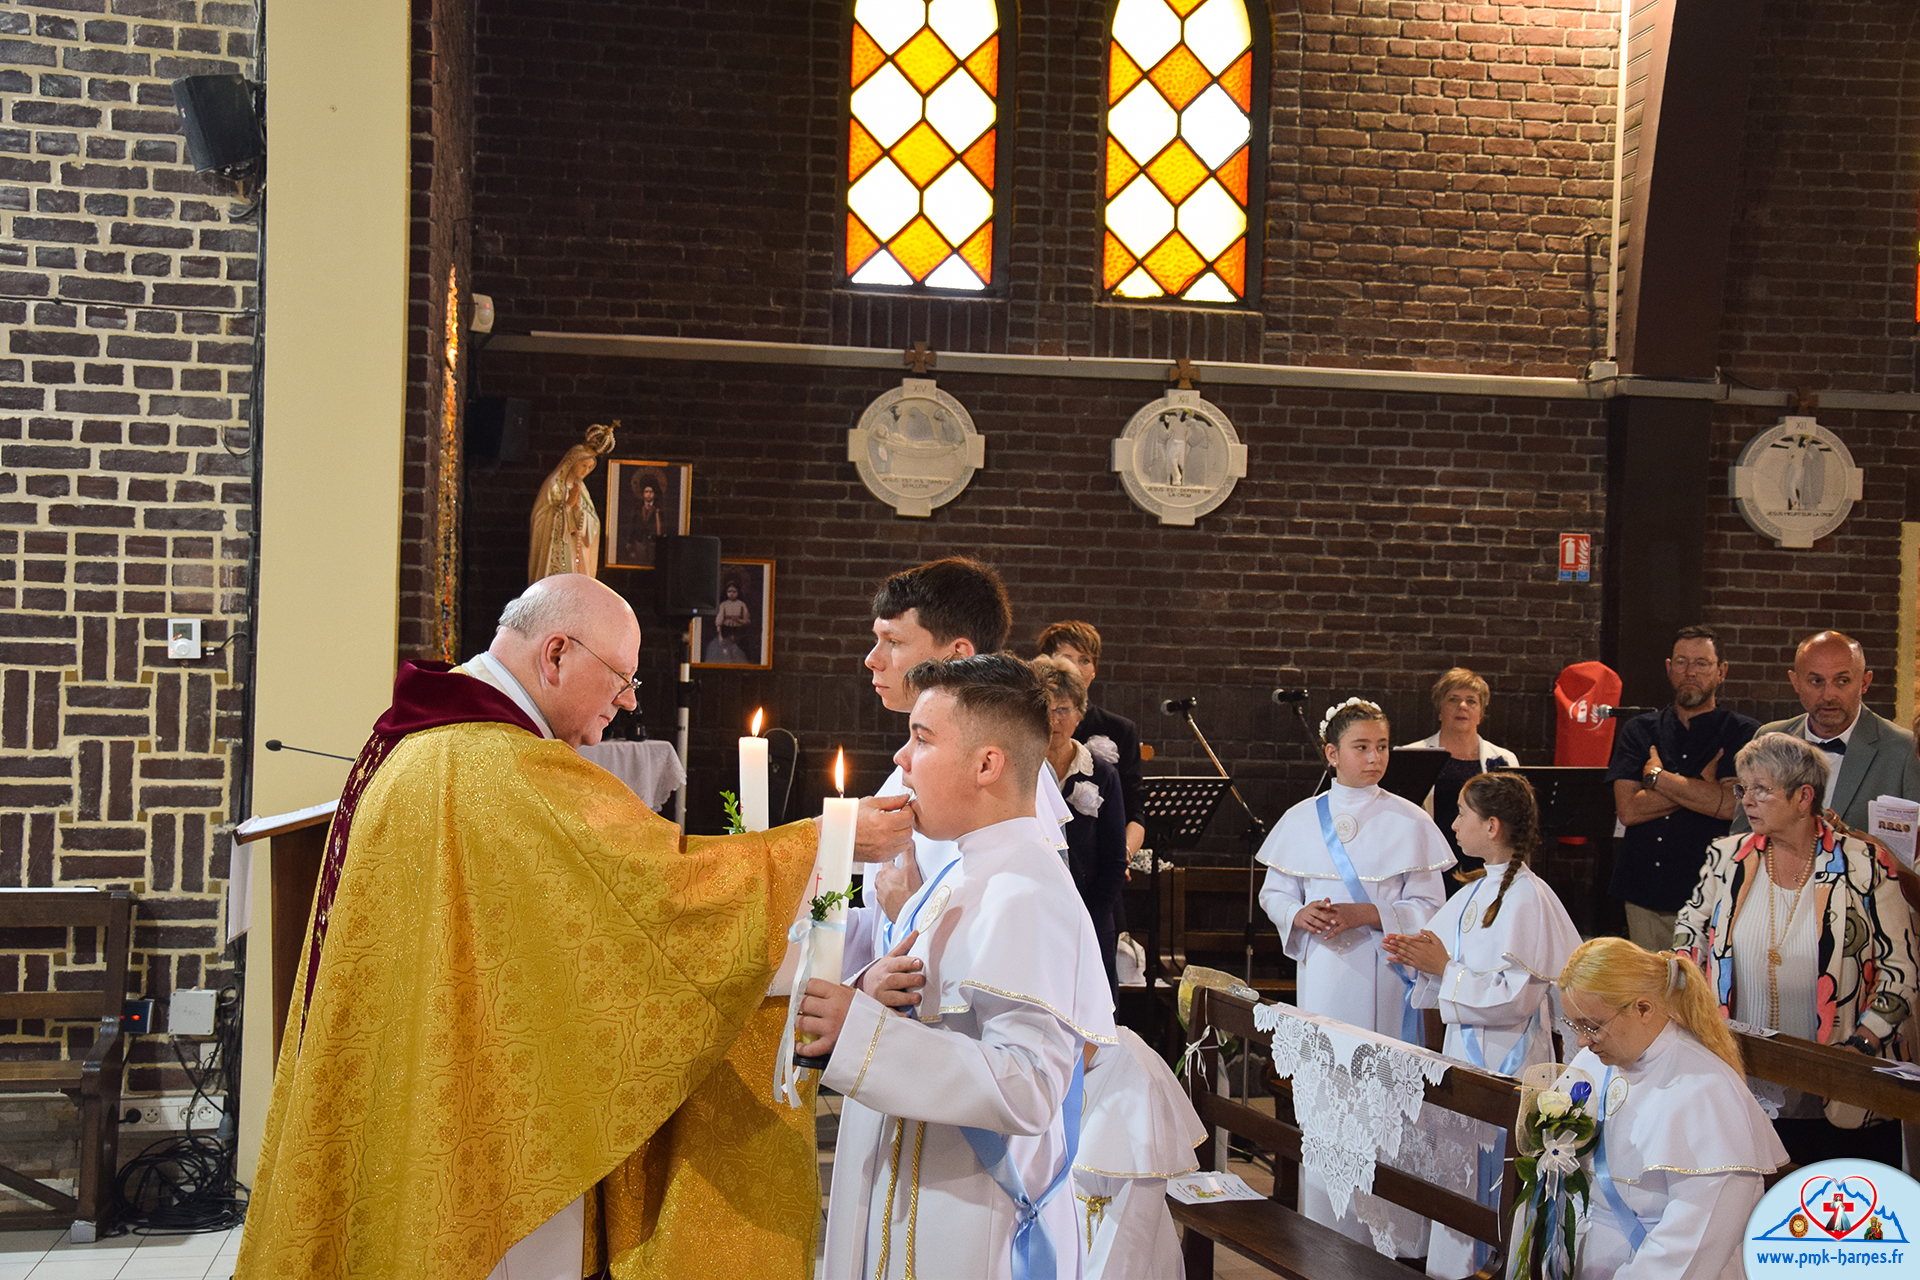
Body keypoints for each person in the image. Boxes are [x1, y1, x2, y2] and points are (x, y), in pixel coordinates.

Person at [236, 574, 830, 1280]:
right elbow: (660, 897)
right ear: (555, 655)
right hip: (484, 1122)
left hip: (418, 1079)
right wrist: (818, 845)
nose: (629, 701)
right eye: (622, 679)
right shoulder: (507, 769)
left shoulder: (425, 744)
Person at [796, 654, 1118, 1280]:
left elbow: (1030, 1089)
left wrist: (861, 1032)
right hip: (916, 1188)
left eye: (922, 739)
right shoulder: (962, 871)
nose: (901, 758)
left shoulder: (1029, 892)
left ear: (987, 764)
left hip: (970, 1214)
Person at [1256, 697, 1453, 1243]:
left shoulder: (1410, 819)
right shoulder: (1302, 817)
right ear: (1332, 753)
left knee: (1381, 1100)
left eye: (1382, 747)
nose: (1374, 758)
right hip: (1325, 975)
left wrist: (1371, 913)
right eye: (1361, 747)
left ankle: (1382, 1239)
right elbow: (1275, 892)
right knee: (1328, 1097)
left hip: (1389, 975)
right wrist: (1298, 914)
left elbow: (1432, 907)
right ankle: (1324, 1228)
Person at [1673, 733, 1915, 1166]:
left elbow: (1902, 969)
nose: (1747, 800)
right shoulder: (1726, 856)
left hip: (1844, 1083)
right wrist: (1688, 1001)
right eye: (1743, 789)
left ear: (1804, 797)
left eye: (1761, 789)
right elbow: (1689, 936)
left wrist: (1860, 1047)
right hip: (1743, 1076)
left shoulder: (1864, 864)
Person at [1384, 771, 1582, 1280]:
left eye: (1461, 814)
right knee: (1460, 1173)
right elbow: (1442, 956)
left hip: (1509, 1059)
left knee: (1497, 1180)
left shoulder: (1527, 898)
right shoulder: (1477, 892)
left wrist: (1443, 969)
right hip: (1464, 1052)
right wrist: (1419, 958)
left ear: (1491, 826)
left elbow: (1515, 998)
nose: (1452, 825)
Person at [848, 557, 1073, 939]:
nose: (872, 659)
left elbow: (1018, 931)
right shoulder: (913, 768)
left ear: (958, 654)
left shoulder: (1010, 782)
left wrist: (909, 913)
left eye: (894, 641)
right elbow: (875, 926)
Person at [1554, 939, 1787, 1280]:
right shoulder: (1592, 1063)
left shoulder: (1706, 1090)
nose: (1582, 1041)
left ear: (1643, 1009)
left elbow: (1697, 1237)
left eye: (1593, 1025)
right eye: (1576, 1025)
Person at [1605, 625, 1759, 951]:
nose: (1690, 672)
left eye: (1702, 663)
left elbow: (1732, 806)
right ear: (1668, 668)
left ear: (1721, 671)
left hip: (1714, 893)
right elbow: (1629, 810)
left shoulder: (1743, 734)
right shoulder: (1639, 730)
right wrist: (1701, 786)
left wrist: (1658, 778)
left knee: (1707, 983)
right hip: (1645, 893)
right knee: (1652, 981)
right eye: (1681, 662)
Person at [1729, 630, 1920, 834]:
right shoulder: (1769, 739)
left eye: (1842, 681)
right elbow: (1742, 834)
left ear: (1864, 682)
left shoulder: (1904, 748)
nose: (1829, 695)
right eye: (1816, 681)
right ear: (1795, 682)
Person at [1072, 1029, 1205, 1280]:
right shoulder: (1054, 1064)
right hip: (1067, 1231)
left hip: (1122, 1243)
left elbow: (1136, 1215)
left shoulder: (1138, 1073)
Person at [1034, 654, 1128, 998]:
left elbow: (1114, 859)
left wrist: (1087, 919)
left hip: (1091, 917)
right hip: (1034, 918)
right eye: (1045, 709)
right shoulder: (1020, 771)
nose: (1054, 720)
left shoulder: (1102, 774)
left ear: (1079, 713)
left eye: (1063, 709)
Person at [1036, 621, 1146, 862]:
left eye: (1085, 660)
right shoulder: (1030, 726)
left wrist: (1122, 856)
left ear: (1094, 670)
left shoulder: (1120, 729)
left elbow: (1135, 810)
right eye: (1067, 657)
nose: (1075, 667)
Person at [1398, 668, 1518, 880]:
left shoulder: (1505, 759)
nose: (1462, 706)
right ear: (1440, 711)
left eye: (1471, 701)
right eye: (1453, 699)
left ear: (1481, 714)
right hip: (1429, 863)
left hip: (1484, 866)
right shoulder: (1411, 755)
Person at [526, 422, 614, 582]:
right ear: (573, 461)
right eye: (583, 465)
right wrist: (567, 506)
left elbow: (593, 523)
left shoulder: (582, 489)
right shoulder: (553, 485)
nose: (586, 471)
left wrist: (579, 510)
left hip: (575, 552)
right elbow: (540, 519)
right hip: (556, 551)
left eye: (590, 467)